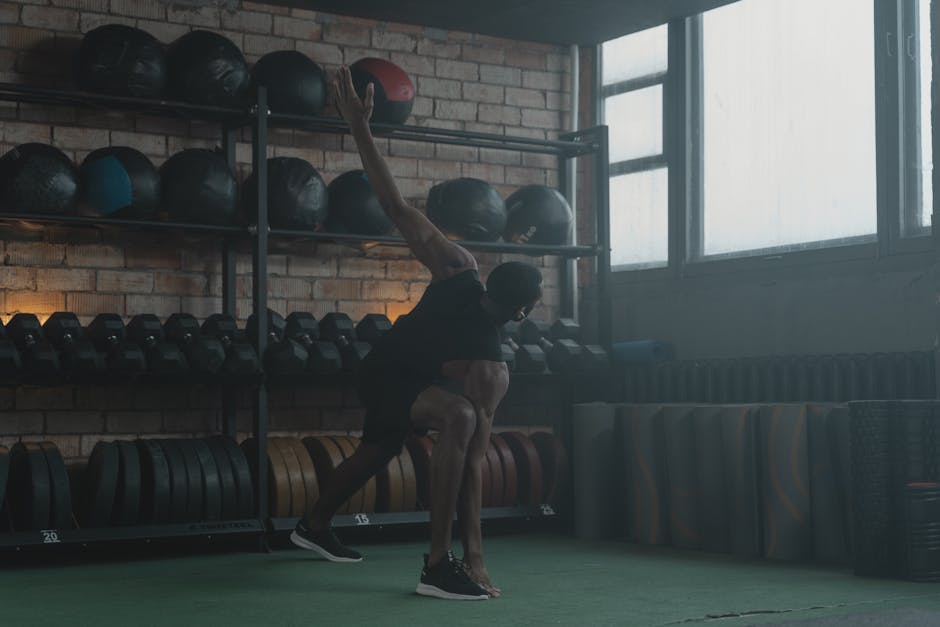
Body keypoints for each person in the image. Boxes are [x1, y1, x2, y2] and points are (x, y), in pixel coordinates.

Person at [289, 66, 544, 601]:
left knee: (378, 450)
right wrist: (474, 557)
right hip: (393, 375)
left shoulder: (456, 265)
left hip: (385, 367)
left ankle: (311, 526)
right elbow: (473, 466)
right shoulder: (490, 370)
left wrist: (360, 126)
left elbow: (393, 205)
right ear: (522, 314)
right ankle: (436, 565)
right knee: (460, 416)